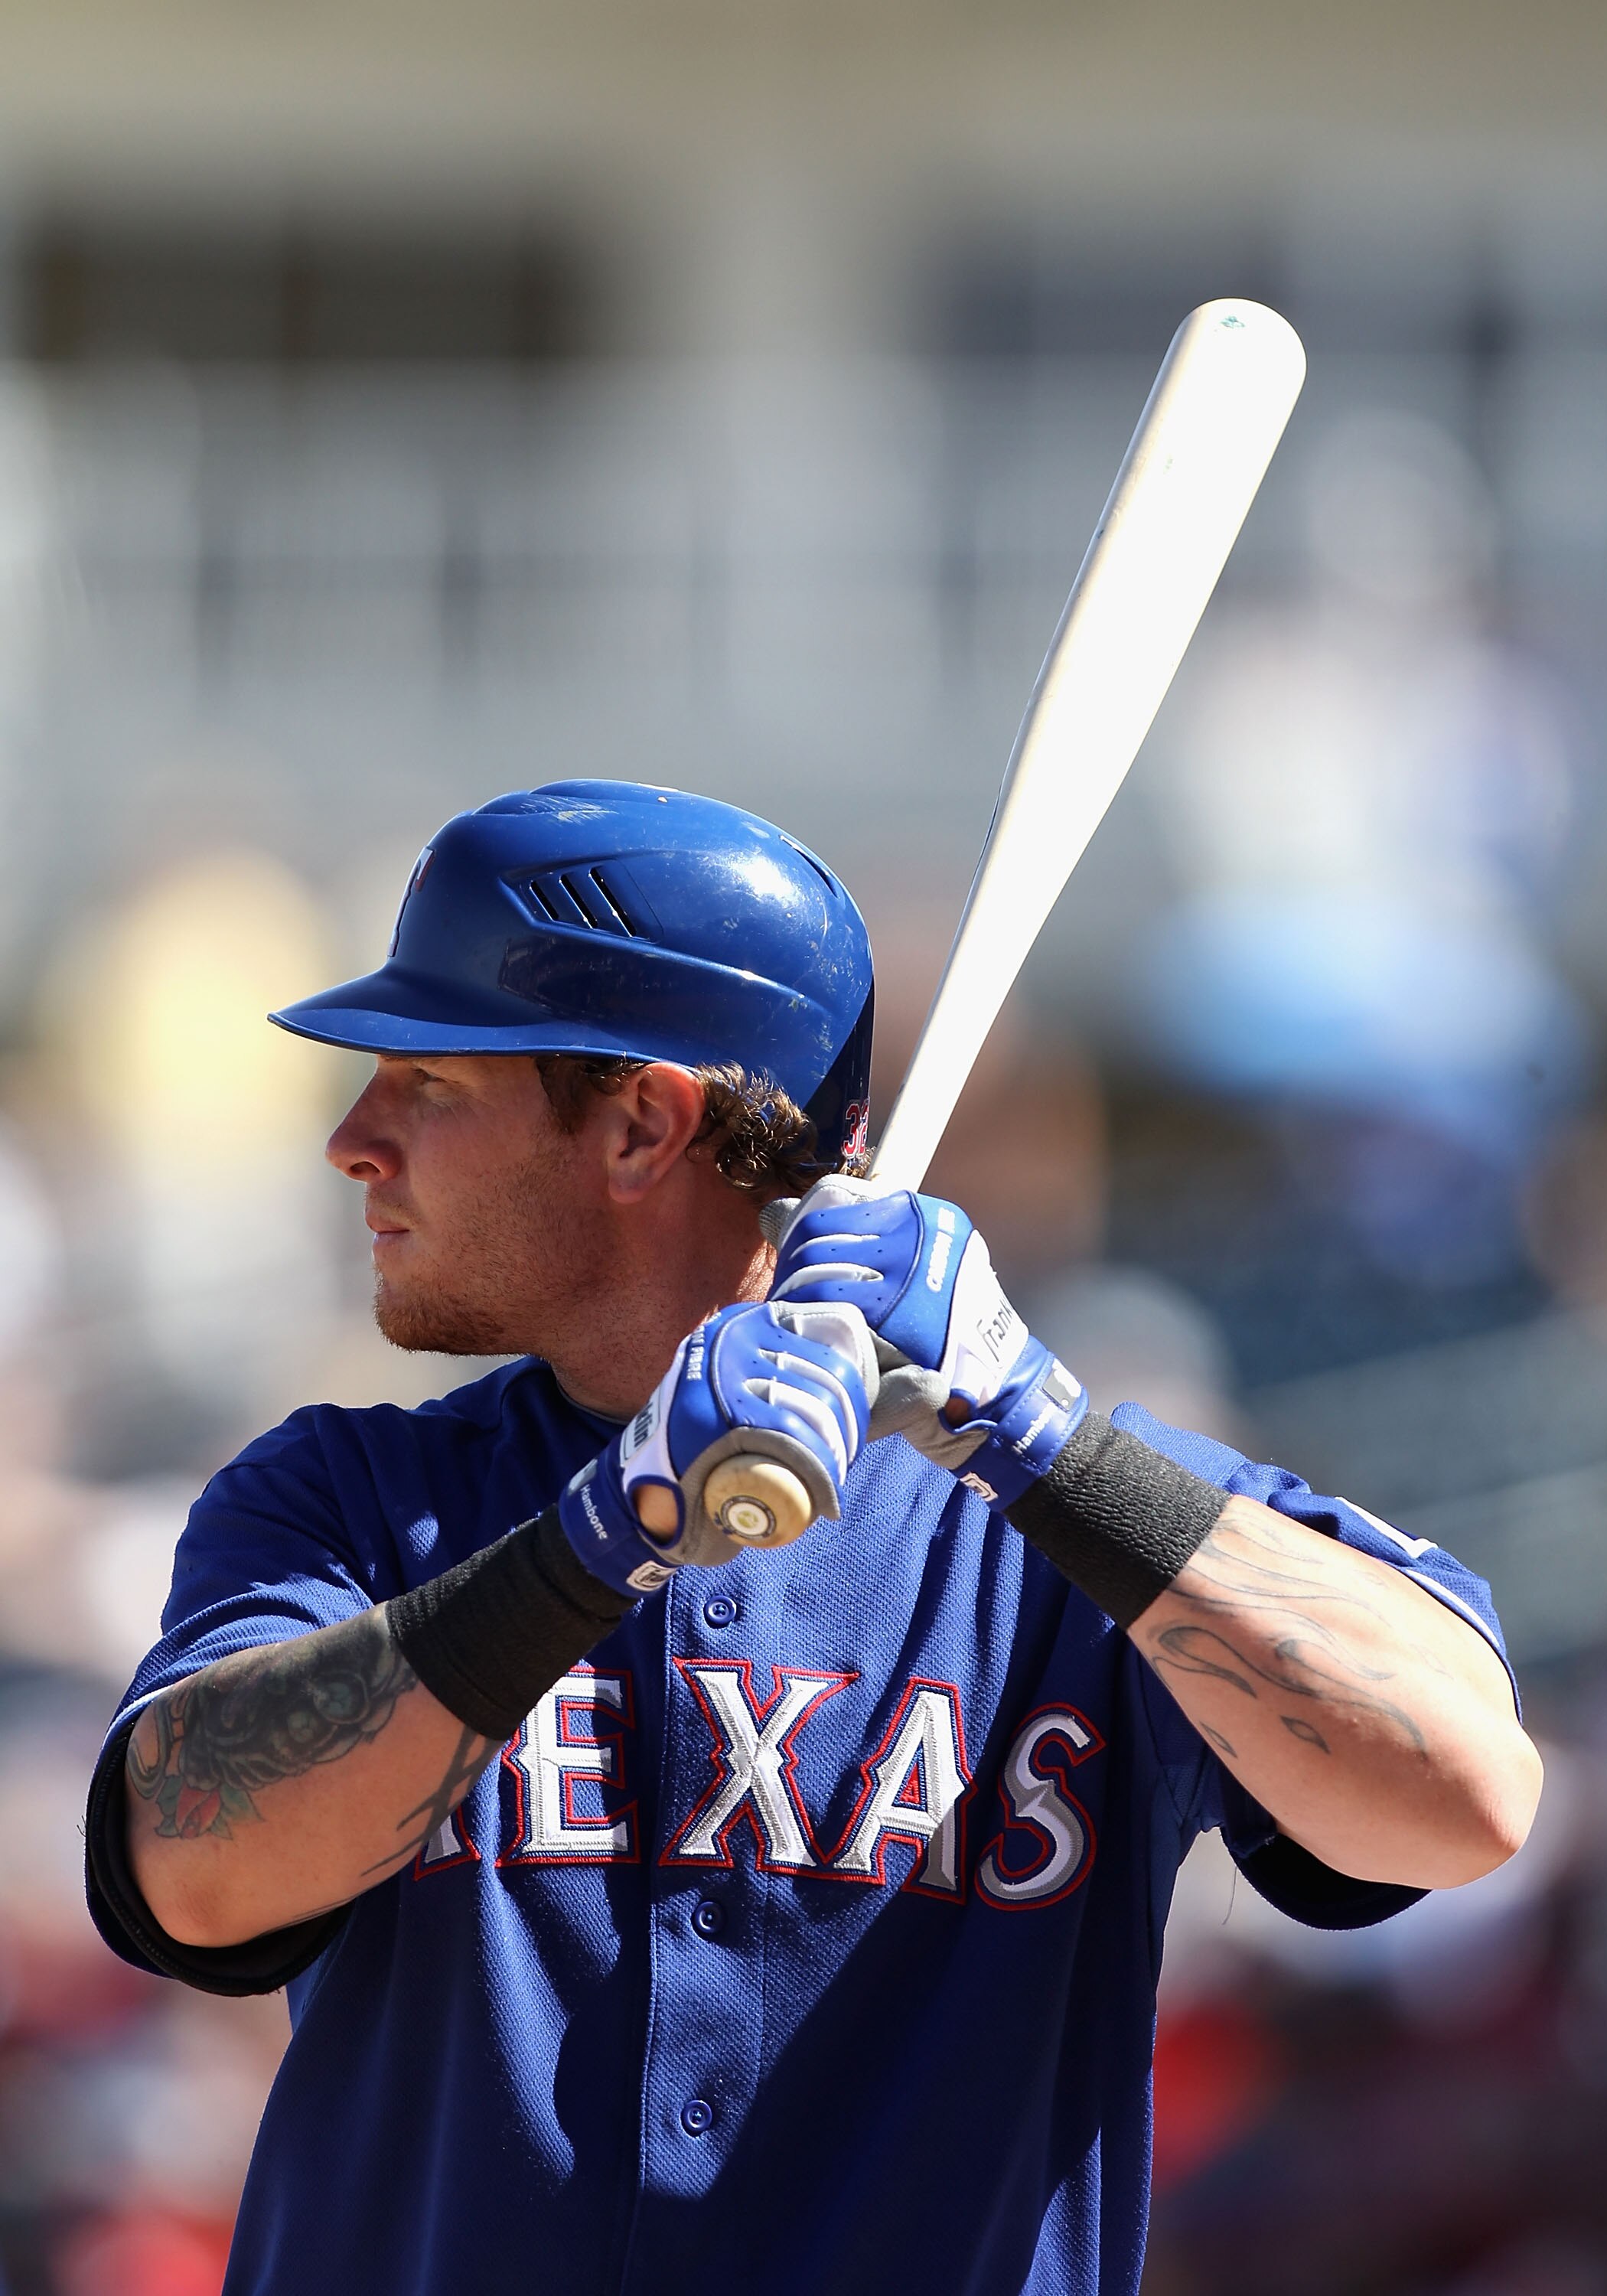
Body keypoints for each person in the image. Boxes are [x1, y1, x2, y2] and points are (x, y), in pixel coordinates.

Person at [83, 782, 1540, 2296]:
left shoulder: (1072, 1522)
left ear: (642, 1122)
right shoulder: (341, 1499)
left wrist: (1046, 1441)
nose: (353, 1143)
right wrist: (600, 1537)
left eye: (430, 1085)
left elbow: (1466, 1798)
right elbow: (192, 1870)